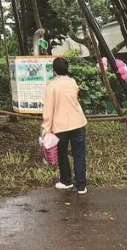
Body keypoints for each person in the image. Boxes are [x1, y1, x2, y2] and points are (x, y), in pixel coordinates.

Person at [41, 56, 88, 195]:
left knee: (62, 154)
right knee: (79, 154)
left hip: (60, 125)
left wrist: (46, 129)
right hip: (78, 122)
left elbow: (48, 110)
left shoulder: (51, 85)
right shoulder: (72, 82)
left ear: (54, 71)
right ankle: (81, 186)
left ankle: (66, 181)